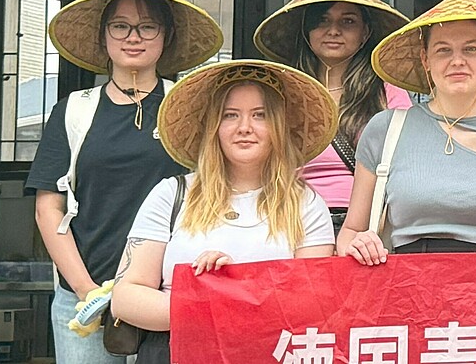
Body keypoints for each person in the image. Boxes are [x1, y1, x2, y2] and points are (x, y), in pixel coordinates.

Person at [26, 0, 223, 364]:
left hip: (171, 295)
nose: (134, 36)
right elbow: (48, 207)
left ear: (165, 36)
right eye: (120, 26)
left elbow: (215, 188)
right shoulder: (74, 111)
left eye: (148, 26)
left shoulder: (189, 108)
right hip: (87, 299)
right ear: (104, 37)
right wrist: (86, 291)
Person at [109, 60, 339, 363]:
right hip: (174, 350)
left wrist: (233, 291)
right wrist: (202, 300)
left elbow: (311, 304)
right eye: (230, 116)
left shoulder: (306, 204)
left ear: (279, 126)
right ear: (213, 127)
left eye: (260, 115)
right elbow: (125, 298)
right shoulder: (172, 193)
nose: (245, 127)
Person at [338, 0, 476, 263]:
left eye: (471, 49)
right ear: (425, 60)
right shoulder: (386, 128)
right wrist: (358, 245)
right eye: (443, 50)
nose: (457, 61)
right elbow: (351, 231)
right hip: (408, 291)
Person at [253, 0, 413, 229]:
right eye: (322, 21)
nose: (334, 31)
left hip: (370, 224)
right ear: (307, 32)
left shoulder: (387, 91)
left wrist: (376, 229)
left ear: (365, 32)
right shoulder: (283, 92)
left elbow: (406, 166)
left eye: (347, 22)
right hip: (291, 220)